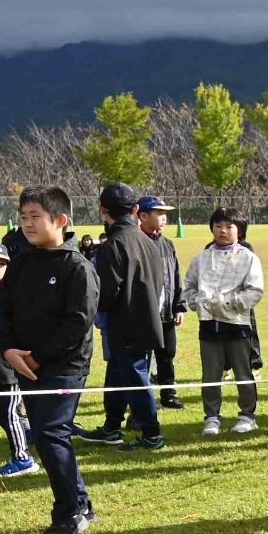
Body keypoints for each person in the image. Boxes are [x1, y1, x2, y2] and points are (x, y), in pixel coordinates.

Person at [0, 186, 101, 534]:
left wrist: (37, 357)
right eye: (23, 217)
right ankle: (81, 504)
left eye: (35, 217)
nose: (27, 224)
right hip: (24, 364)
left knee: (50, 433)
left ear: (61, 220)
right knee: (47, 434)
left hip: (64, 366)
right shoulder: (21, 262)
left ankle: (68, 513)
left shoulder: (78, 267)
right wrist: (9, 350)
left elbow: (78, 323)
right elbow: (1, 309)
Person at [77, 182, 169, 451]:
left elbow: (107, 293)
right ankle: (112, 427)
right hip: (145, 320)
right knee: (117, 376)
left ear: (103, 210)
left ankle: (152, 435)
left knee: (135, 378)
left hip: (127, 324)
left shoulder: (113, 245)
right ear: (136, 209)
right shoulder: (148, 241)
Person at [183, 206, 265, 436]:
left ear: (240, 230)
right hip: (208, 325)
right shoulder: (201, 258)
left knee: (243, 372)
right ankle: (211, 417)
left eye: (229, 226)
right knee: (210, 374)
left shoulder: (248, 258)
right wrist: (198, 302)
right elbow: (189, 286)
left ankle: (247, 415)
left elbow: (255, 290)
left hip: (237, 325)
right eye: (218, 225)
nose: (223, 230)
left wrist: (229, 303)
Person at [0, 241, 38, 480]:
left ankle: (22, 457)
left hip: (5, 365)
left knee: (8, 411)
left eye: (1, 264)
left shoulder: (11, 294)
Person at [137, 196, 185, 410]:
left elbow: (175, 276)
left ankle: (169, 395)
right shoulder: (136, 242)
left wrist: (179, 306)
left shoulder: (167, 244)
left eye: (165, 214)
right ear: (143, 216)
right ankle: (142, 401)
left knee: (167, 355)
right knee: (143, 359)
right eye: (159, 213)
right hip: (144, 315)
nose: (164, 218)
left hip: (166, 314)